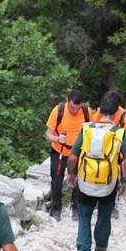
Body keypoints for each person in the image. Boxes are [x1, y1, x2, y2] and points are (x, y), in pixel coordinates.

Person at [66, 90, 126, 251]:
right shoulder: (119, 133)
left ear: (100, 109)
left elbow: (73, 156)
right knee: (104, 215)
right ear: (116, 112)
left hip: (85, 182)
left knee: (84, 216)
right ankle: (101, 246)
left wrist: (71, 174)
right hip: (108, 183)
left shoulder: (86, 129)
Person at [45, 87, 90, 220]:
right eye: (71, 108)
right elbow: (48, 134)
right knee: (57, 180)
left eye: (77, 108)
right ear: (67, 101)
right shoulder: (58, 110)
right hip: (59, 151)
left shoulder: (86, 112)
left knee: (78, 180)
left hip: (78, 152)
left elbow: (92, 130)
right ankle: (56, 207)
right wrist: (57, 139)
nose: (74, 111)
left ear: (81, 105)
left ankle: (76, 207)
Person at [89, 90, 126, 219]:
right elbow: (92, 127)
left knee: (113, 179)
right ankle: (97, 202)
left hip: (115, 153)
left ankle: (111, 205)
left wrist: (124, 152)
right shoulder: (102, 112)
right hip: (100, 150)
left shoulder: (124, 116)